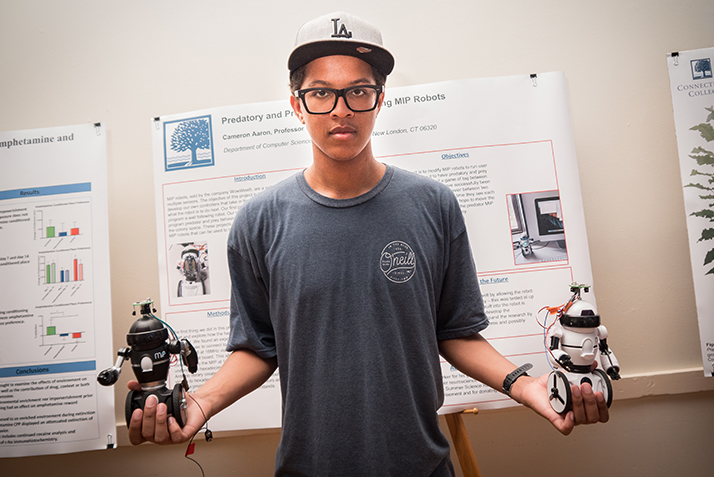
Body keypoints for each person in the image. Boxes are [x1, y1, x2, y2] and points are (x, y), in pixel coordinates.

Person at [128, 12, 609, 476]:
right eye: (321, 93)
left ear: (380, 100)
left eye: (358, 91)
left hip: (421, 466)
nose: (341, 109)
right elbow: (257, 346)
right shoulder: (259, 222)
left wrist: (527, 388)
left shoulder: (433, 205)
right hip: (307, 467)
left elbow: (455, 330)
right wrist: (202, 402)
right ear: (296, 104)